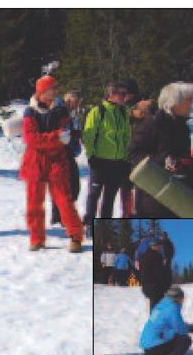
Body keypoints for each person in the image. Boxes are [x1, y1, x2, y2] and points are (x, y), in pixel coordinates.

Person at [20, 76, 84, 254]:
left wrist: (53, 138)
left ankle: (76, 236)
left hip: (58, 161)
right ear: (41, 91)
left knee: (64, 200)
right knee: (34, 203)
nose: (56, 91)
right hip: (35, 162)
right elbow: (30, 138)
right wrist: (55, 138)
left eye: (56, 87)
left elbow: (66, 134)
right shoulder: (30, 111)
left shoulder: (61, 110)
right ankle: (36, 238)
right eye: (52, 88)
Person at [128, 81, 193, 217]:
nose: (192, 103)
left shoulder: (182, 127)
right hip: (153, 197)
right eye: (189, 100)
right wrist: (161, 162)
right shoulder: (153, 123)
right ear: (175, 102)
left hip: (177, 195)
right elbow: (133, 153)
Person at [83, 80, 132, 223]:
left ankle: (104, 226)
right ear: (111, 94)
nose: (125, 97)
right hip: (100, 161)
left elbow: (126, 136)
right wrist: (91, 155)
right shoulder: (98, 111)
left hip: (118, 162)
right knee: (94, 194)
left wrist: (125, 157)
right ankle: (89, 223)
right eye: (121, 93)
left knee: (110, 197)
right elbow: (89, 134)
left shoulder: (123, 112)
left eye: (125, 93)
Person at [50, 90, 83, 227]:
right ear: (69, 100)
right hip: (60, 153)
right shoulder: (59, 111)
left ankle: (58, 216)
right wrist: (74, 134)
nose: (77, 106)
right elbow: (59, 133)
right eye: (76, 103)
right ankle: (62, 216)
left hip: (66, 152)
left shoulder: (68, 112)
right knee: (70, 186)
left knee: (67, 185)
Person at [140, 287, 192, 355]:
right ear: (177, 298)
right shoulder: (173, 308)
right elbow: (180, 329)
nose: (183, 301)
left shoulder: (161, 305)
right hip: (154, 344)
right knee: (185, 340)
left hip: (147, 343)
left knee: (173, 339)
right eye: (182, 299)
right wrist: (189, 328)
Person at [138, 239, 174, 312]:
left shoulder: (143, 257)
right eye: (159, 246)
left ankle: (154, 321)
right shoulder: (156, 256)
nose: (160, 248)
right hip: (156, 287)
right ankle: (155, 322)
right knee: (157, 308)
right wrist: (165, 286)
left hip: (147, 286)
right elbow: (159, 273)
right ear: (154, 246)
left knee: (155, 306)